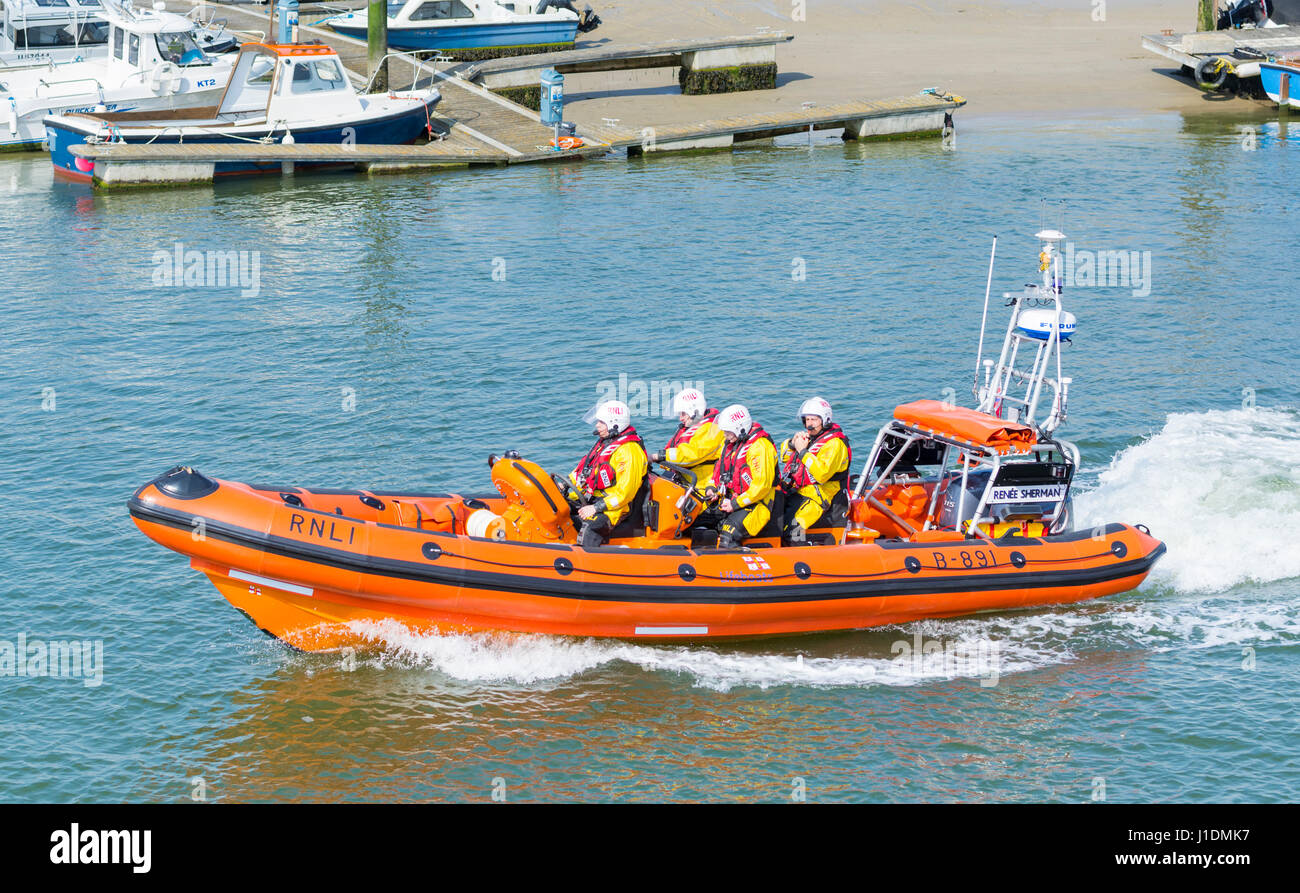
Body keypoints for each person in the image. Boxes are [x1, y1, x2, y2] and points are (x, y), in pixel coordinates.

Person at [567, 400, 647, 547]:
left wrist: (596, 508)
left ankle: (586, 564)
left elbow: (625, 493)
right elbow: (583, 472)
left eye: (601, 422)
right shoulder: (604, 445)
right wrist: (564, 485)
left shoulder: (629, 451)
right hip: (594, 499)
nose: (597, 425)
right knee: (559, 507)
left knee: (590, 529)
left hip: (615, 509)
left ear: (614, 424)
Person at [778, 397, 852, 544]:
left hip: (821, 496)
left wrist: (803, 452)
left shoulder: (834, 444)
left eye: (814, 420)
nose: (809, 424)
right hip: (800, 490)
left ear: (825, 420)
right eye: (807, 420)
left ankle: (801, 557)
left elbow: (822, 474)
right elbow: (784, 457)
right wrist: (793, 444)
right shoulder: (812, 437)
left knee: (794, 527)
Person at [707, 404, 776, 549]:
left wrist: (735, 504)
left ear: (740, 428)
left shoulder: (759, 447)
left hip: (757, 504)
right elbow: (718, 471)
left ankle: (731, 568)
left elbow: (761, 486)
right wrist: (711, 489)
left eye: (727, 432)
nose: (725, 435)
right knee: (701, 519)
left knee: (729, 533)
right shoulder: (731, 444)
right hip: (732, 500)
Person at [649, 388, 723, 499]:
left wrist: (657, 456)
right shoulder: (691, 428)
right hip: (686, 481)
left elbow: (690, 454)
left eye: (683, 413)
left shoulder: (711, 429)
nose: (680, 418)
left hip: (702, 488)